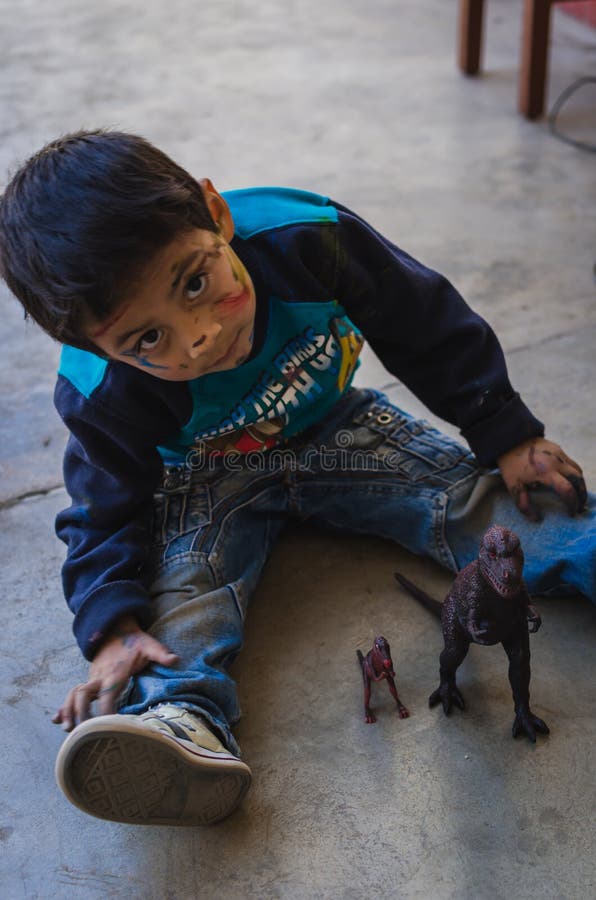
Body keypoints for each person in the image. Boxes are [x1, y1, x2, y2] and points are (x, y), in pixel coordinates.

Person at [0, 129, 593, 827]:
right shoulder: (100, 392)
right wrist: (110, 627)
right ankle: (178, 723)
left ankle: (584, 548)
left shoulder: (305, 236)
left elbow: (422, 323)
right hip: (204, 479)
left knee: (470, 501)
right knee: (185, 593)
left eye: (195, 283)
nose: (196, 337)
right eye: (147, 340)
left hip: (340, 426)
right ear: (93, 347)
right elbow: (103, 509)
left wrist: (509, 432)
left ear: (216, 214)